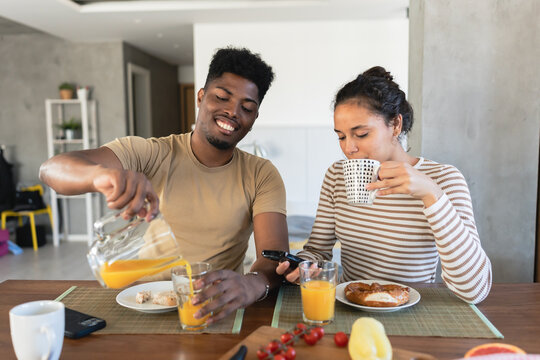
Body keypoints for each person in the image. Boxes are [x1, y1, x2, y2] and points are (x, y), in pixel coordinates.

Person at [40, 47, 289, 323]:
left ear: (254, 119)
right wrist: (100, 176)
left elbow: (274, 257)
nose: (232, 112)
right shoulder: (150, 153)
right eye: (221, 97)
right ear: (201, 96)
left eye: (247, 108)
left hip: (209, 308)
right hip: (141, 304)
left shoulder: (261, 174)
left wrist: (253, 282)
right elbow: (52, 170)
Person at [277, 66, 492, 304]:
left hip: (414, 311)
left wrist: (432, 195)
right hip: (352, 306)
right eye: (341, 136)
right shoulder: (337, 176)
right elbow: (318, 250)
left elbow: (475, 289)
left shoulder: (443, 179)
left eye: (361, 134)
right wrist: (304, 267)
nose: (349, 148)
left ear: (396, 125)